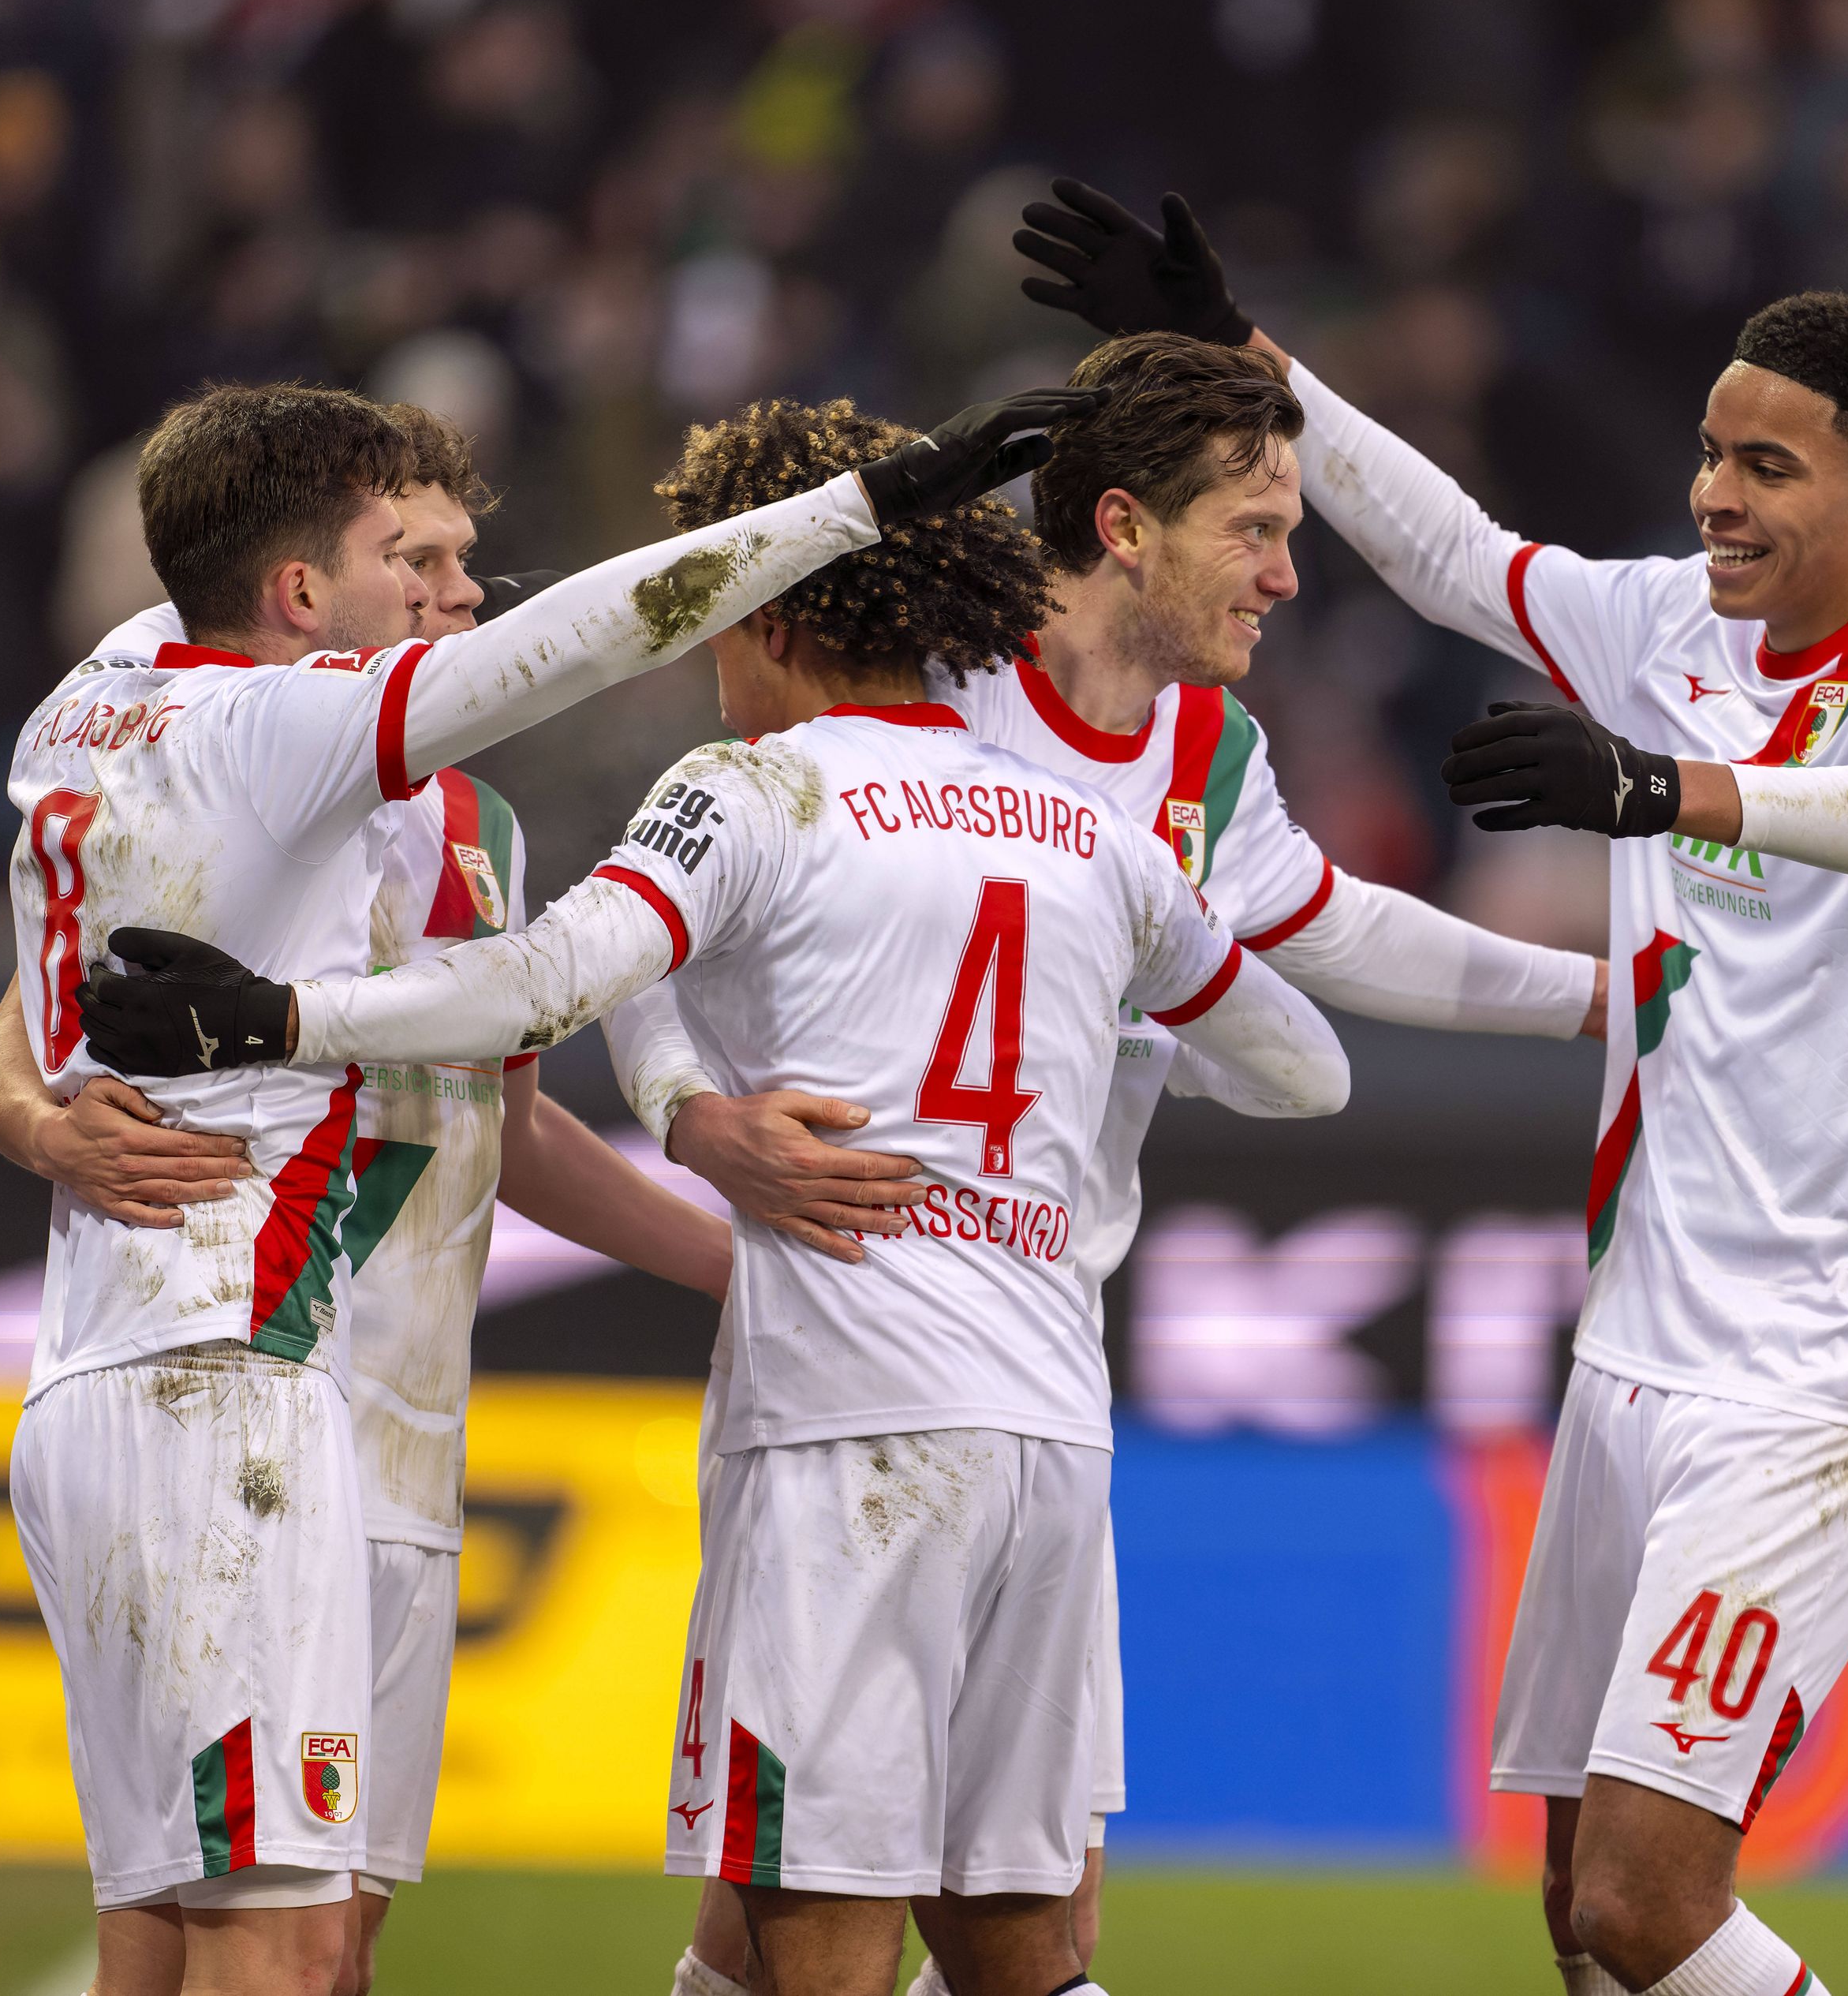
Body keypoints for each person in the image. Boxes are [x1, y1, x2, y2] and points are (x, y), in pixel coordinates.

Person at [74, 408, 1350, 1996]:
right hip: (1046, 1422)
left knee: (816, 1934)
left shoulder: (756, 790)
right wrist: (1104, 1049)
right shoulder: (1088, 829)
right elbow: (1306, 1069)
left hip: (844, 1430)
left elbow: (548, 981)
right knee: (1013, 1947)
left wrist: (280, 1019)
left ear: (782, 610)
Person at [1016, 183, 1848, 1996]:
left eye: (1769, 469)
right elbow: (1448, 551)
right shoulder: (1665, 624)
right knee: (1581, 1908)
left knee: (1656, 1903)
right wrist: (1245, 350)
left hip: (1818, 1368)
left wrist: (1662, 792)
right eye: (1711, 455)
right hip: (1632, 1350)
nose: (1716, 496)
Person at [639, 342, 1608, 1996]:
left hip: (1039, 1356)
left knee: (812, 1905)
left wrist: (1604, 996)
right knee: (944, 1916)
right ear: (1122, 526)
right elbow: (680, 876)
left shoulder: (1197, 755)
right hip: (854, 1345)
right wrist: (685, 1109)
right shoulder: (924, 674)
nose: (1287, 574)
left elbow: (1326, 927)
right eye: (1253, 528)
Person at [0, 402, 752, 1995]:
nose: (462, 593)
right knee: (258, 1929)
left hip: (391, 1435)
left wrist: (758, 1269)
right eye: (421, 556)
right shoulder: (217, 722)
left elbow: (510, 1134)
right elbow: (46, 981)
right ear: (312, 584)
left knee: (310, 1942)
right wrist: (31, 1115)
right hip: (241, 1373)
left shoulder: (480, 824)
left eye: (466, 555)